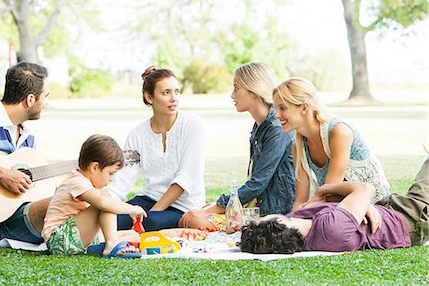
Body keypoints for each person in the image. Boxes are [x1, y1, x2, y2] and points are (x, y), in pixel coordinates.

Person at [179, 62, 296, 232]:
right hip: (256, 205)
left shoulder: (276, 130)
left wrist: (215, 208)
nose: (232, 95)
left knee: (196, 221)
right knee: (189, 219)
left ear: (253, 90)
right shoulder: (260, 126)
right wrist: (215, 206)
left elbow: (257, 184)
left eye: (236, 88)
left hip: (273, 212)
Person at [239, 157, 429, 253]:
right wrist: (324, 190)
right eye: (263, 218)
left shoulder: (302, 219)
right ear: (279, 221)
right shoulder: (331, 229)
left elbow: (355, 198)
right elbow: (365, 188)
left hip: (391, 210)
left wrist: (360, 204)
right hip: (411, 217)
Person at [106, 66, 206, 231]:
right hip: (148, 199)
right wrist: (104, 204)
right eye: (166, 93)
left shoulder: (193, 124)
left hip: (183, 206)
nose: (174, 98)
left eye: (177, 92)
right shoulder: (137, 134)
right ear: (149, 97)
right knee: (110, 219)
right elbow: (122, 181)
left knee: (151, 222)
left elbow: (185, 178)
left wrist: (152, 213)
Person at [272, 77, 390, 210]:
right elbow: (300, 200)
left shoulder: (338, 132)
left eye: (282, 108)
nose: (276, 115)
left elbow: (331, 193)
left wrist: (306, 210)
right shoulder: (298, 147)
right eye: (276, 108)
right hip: (340, 209)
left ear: (304, 108)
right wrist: (292, 222)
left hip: (376, 210)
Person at [0, 62, 51, 245]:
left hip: (9, 217)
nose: (47, 103)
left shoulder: (28, 137)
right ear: (30, 100)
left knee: (71, 198)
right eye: (46, 96)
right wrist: (2, 173)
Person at [41, 134, 146, 257]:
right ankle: (110, 245)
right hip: (59, 239)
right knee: (105, 204)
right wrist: (133, 209)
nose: (112, 179)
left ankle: (105, 244)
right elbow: (104, 204)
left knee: (132, 235)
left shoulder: (93, 187)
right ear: (94, 167)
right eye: (110, 173)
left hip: (74, 236)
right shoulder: (76, 182)